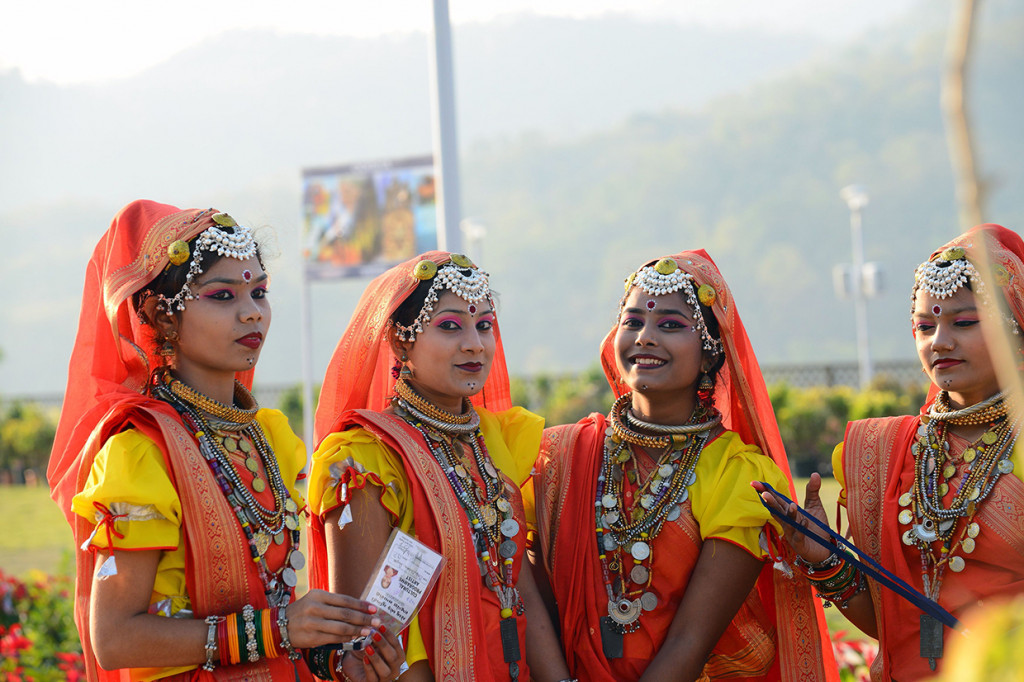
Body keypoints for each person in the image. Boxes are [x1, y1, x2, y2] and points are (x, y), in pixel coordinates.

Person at [47, 200, 404, 682]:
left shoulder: (269, 438)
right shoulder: (141, 451)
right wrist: (279, 630)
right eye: (222, 296)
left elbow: (273, 608)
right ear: (163, 316)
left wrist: (336, 658)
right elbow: (113, 639)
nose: (252, 313)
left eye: (259, 292)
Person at [534, 251, 838, 681]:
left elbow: (690, 644)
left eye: (671, 325)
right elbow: (532, 600)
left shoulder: (735, 473)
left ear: (711, 352)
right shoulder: (560, 455)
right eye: (633, 321)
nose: (644, 337)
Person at [756, 223, 1024, 681]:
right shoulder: (884, 452)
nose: (938, 341)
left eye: (963, 322)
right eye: (924, 325)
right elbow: (891, 624)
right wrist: (825, 558)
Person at [308, 251, 572, 681]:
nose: (475, 343)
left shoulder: (493, 439)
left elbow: (515, 579)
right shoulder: (364, 457)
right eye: (450, 326)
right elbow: (368, 637)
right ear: (399, 340)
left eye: (484, 325)